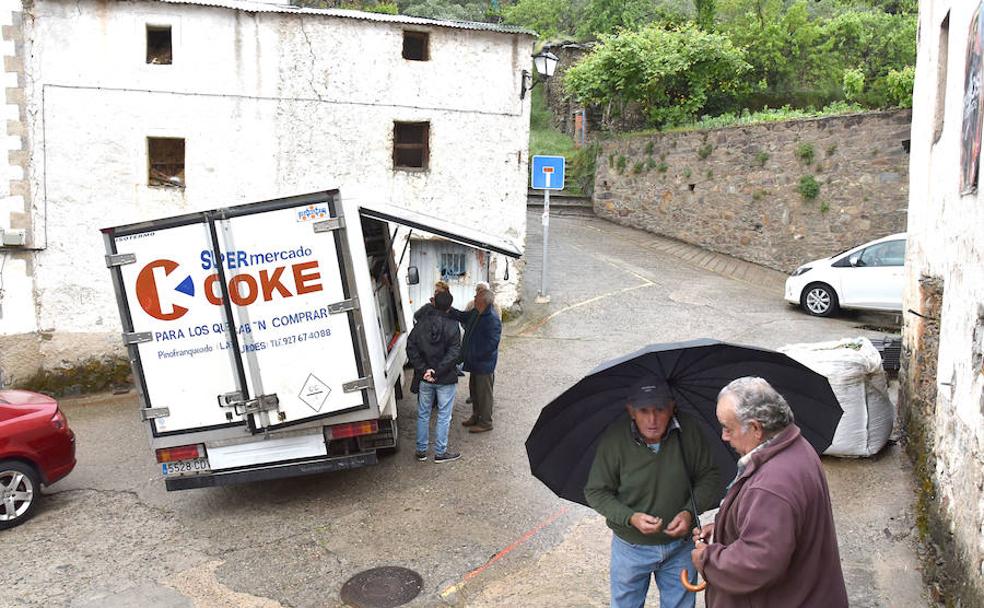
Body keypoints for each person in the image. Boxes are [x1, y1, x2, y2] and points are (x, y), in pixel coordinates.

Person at [690, 377, 848, 608]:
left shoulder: (770, 485)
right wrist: (724, 528)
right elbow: (778, 527)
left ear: (755, 428)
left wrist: (707, 559)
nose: (724, 436)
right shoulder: (796, 446)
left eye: (728, 428)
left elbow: (757, 563)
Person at [585, 377, 720, 608]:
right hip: (630, 547)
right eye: (644, 411)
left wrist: (688, 512)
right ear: (631, 411)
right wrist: (630, 517)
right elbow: (596, 491)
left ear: (672, 407)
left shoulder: (687, 431)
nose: (652, 419)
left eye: (660, 409)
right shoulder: (615, 439)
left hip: (681, 546)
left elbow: (709, 476)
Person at [406, 290, 461, 463]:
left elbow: (411, 347)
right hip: (445, 377)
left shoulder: (421, 323)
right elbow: (454, 353)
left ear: (434, 303)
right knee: (444, 415)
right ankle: (440, 452)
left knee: (423, 414)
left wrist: (424, 370)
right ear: (450, 306)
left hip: (425, 377)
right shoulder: (453, 326)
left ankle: (421, 450)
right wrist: (437, 371)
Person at [451, 288, 501, 433]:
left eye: (477, 296)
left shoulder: (492, 319)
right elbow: (462, 316)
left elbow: (492, 344)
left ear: (483, 301)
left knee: (484, 395)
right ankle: (476, 416)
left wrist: (474, 355)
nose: (474, 296)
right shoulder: (476, 312)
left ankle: (485, 422)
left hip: (484, 364)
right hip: (475, 362)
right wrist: (448, 309)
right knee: (475, 392)